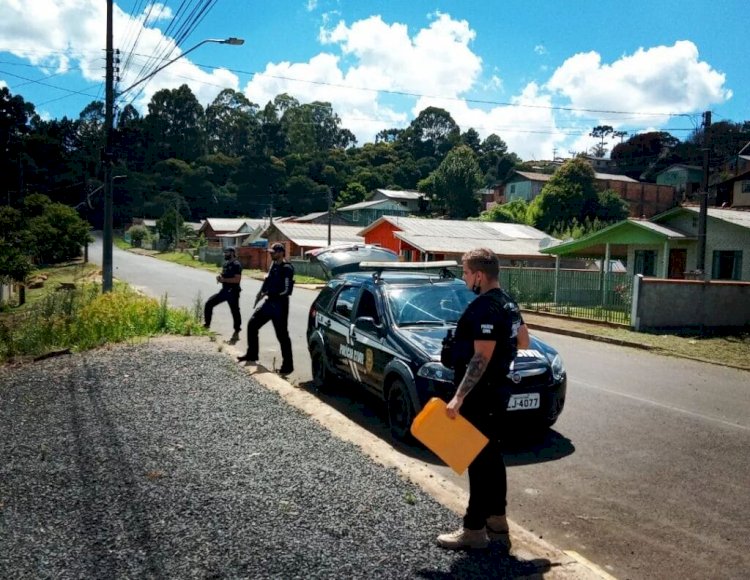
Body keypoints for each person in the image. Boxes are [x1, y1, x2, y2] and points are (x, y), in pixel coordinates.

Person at [437, 248, 530, 551]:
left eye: (465, 272)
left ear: (479, 275)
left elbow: (481, 357)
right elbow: (524, 340)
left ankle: (474, 530)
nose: (464, 277)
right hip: (498, 392)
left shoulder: (485, 307)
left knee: (478, 462)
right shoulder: (509, 304)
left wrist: (459, 397)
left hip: (480, 396)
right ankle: (497, 523)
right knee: (491, 460)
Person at [238, 242, 295, 374]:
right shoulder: (273, 265)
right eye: (270, 252)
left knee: (282, 335)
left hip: (280, 305)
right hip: (269, 303)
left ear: (281, 253)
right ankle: (252, 354)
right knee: (252, 324)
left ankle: (288, 366)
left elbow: (286, 290)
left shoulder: (287, 268)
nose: (271, 254)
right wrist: (261, 293)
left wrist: (271, 293)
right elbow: (268, 281)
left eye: (273, 252)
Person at [204, 246, 243, 341]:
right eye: (225, 252)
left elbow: (237, 279)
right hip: (224, 291)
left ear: (232, 253)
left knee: (235, 311)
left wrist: (224, 279)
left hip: (233, 292)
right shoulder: (225, 264)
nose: (225, 254)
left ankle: (237, 330)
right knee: (209, 303)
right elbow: (223, 274)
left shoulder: (236, 264)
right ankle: (207, 325)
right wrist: (219, 277)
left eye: (227, 252)